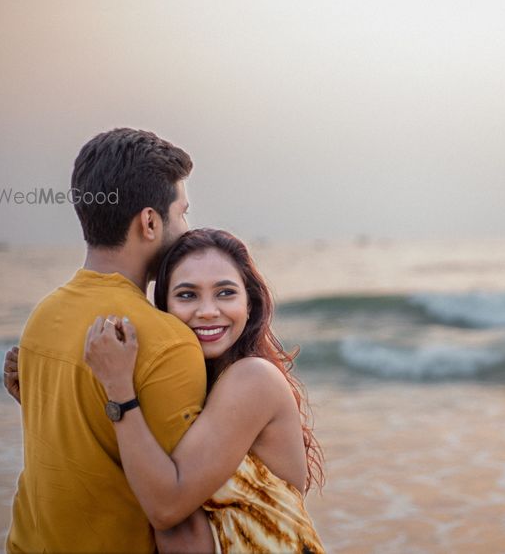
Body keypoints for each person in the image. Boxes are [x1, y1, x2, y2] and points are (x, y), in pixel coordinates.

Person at [5, 128, 210, 553]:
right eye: (183, 212)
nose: (188, 226)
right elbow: (179, 515)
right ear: (150, 222)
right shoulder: (167, 340)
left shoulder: (42, 317)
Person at [83, 228, 325, 553]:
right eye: (187, 295)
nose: (208, 310)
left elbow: (166, 508)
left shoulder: (253, 378)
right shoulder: (194, 389)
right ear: (164, 308)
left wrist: (119, 388)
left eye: (225, 293)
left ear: (249, 305)